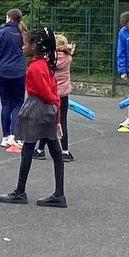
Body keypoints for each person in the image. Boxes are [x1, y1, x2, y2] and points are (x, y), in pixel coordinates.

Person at [0, 27, 67, 208]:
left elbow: (45, 93)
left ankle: (20, 192)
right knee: (55, 150)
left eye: (26, 43)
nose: (23, 46)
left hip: (37, 108)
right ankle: (58, 193)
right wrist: (56, 110)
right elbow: (53, 90)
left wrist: (53, 103)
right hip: (47, 110)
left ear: (35, 45)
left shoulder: (35, 67)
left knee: (28, 149)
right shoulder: (45, 64)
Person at [0, 8, 27, 149]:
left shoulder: (1, 33)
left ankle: (5, 136)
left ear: (9, 18)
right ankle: (15, 136)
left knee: (6, 104)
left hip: (3, 71)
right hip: (19, 72)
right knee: (17, 104)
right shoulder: (23, 34)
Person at [34, 33, 76, 161]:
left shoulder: (50, 59)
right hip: (63, 94)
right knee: (62, 121)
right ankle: (65, 150)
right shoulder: (68, 58)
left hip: (51, 93)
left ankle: (40, 149)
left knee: (47, 121)